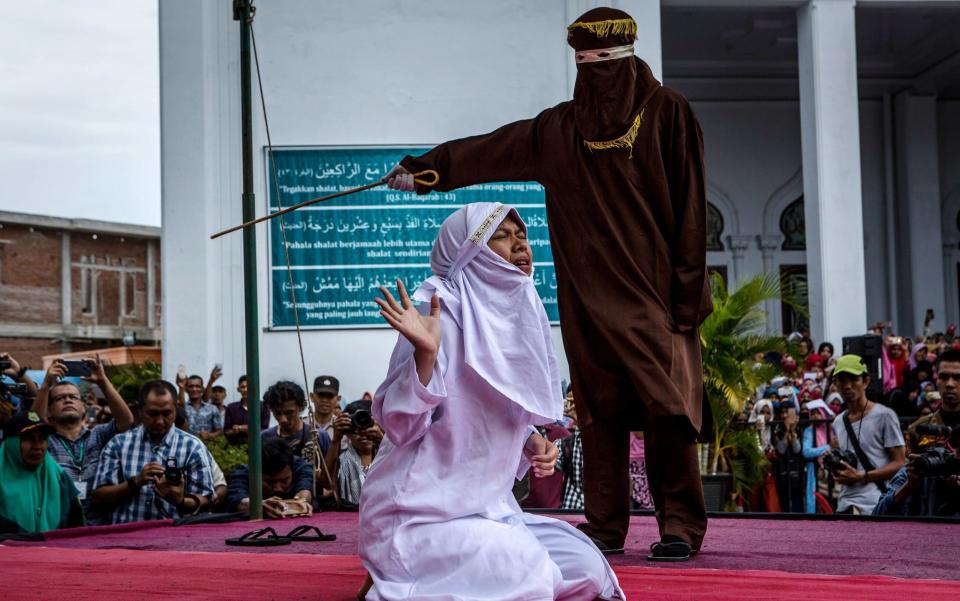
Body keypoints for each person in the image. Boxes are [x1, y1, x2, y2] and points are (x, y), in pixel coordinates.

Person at [385, 6, 712, 562]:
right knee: (598, 409)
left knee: (667, 411)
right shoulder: (560, 129)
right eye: (587, 66)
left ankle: (679, 525)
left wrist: (686, 299)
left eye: (606, 65)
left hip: (655, 300)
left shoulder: (668, 113)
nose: (598, 79)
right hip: (586, 300)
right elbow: (490, 149)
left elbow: (691, 212)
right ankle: (606, 526)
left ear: (630, 61)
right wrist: (426, 171)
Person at [359, 203, 623, 600]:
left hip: (483, 508)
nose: (520, 245)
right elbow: (400, 426)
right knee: (526, 569)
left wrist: (530, 438)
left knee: (587, 566)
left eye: (523, 237)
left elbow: (493, 409)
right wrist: (426, 357)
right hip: (419, 512)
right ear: (468, 250)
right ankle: (395, 569)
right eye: (502, 236)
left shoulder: (518, 312)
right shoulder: (439, 313)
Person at [91, 380, 214, 523]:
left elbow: (207, 499)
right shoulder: (118, 444)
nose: (160, 421)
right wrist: (134, 483)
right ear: (140, 411)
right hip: (125, 539)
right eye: (153, 414)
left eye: (167, 413)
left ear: (176, 409)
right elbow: (98, 497)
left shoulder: (193, 447)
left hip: (175, 540)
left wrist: (180, 501)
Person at [30, 357, 134, 524]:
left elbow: (126, 421)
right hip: (58, 525)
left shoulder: (98, 435)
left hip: (98, 526)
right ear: (49, 411)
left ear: (84, 407)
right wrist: (47, 385)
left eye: (73, 397)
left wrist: (103, 381)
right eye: (60, 398)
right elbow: (33, 422)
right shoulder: (45, 440)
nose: (68, 400)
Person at [874, 348, 960, 516]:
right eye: (944, 377)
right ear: (936, 379)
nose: (950, 384)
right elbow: (885, 506)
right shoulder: (919, 429)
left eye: (958, 377)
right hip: (928, 520)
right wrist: (911, 482)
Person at [830, 355, 906, 514]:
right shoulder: (838, 422)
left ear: (865, 381)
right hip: (845, 505)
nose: (848, 386)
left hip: (876, 505)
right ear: (835, 384)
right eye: (842, 380)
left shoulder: (884, 416)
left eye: (854, 379)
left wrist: (862, 476)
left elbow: (900, 462)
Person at [0, 412, 84, 533]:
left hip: (54, 550)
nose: (37, 446)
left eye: (42, 439)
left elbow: (77, 529)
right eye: (29, 439)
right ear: (11, 443)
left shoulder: (60, 477)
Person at [226, 438, 315, 516]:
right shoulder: (243, 474)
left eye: (284, 481)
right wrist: (257, 505)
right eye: (270, 482)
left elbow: (305, 489)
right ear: (256, 474)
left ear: (291, 470)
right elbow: (238, 499)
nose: (278, 488)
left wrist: (302, 500)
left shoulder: (301, 467)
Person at [262, 380, 331, 470]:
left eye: (289, 413)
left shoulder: (319, 436)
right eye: (277, 413)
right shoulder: (265, 438)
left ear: (302, 407)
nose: (283, 419)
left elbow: (329, 474)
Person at [327, 400, 383, 507]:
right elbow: (327, 484)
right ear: (347, 431)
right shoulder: (340, 458)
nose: (362, 432)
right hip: (346, 517)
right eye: (356, 426)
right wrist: (335, 439)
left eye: (367, 424)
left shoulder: (386, 456)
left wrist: (382, 439)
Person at [800, 399, 833, 514]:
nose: (815, 416)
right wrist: (828, 447)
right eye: (813, 413)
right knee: (813, 497)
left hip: (831, 468)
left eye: (818, 413)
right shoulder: (809, 430)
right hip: (815, 469)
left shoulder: (831, 428)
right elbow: (806, 451)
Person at [223, 375, 271, 444]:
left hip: (258, 448)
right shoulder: (231, 408)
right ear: (238, 389)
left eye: (249, 386)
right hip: (236, 449)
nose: (245, 389)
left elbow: (265, 431)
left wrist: (245, 429)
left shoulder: (263, 407)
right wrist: (235, 431)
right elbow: (226, 432)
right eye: (243, 387)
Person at [177, 372, 223, 440]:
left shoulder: (212, 408)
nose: (194, 389)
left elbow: (220, 431)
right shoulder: (182, 408)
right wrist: (181, 388)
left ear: (202, 389)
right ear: (186, 389)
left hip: (208, 447)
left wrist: (210, 435)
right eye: (191, 386)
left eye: (197, 386)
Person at [311, 375, 342, 440]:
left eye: (330, 396)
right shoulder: (301, 425)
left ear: (338, 399)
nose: (325, 400)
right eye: (321, 395)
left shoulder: (342, 427)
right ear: (312, 397)